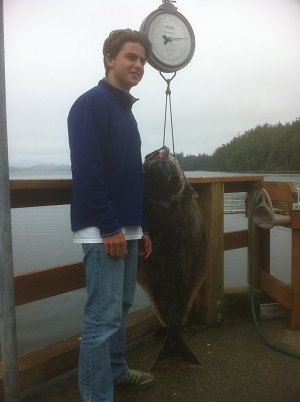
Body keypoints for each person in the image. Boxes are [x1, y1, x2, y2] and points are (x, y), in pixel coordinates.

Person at [67, 28, 154, 402]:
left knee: (120, 309)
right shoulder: (91, 104)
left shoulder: (126, 114)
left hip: (126, 228)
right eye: (131, 57)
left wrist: (141, 226)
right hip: (105, 230)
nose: (138, 65)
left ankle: (116, 373)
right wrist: (109, 225)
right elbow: (88, 170)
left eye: (142, 60)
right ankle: (96, 395)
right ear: (109, 59)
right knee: (101, 320)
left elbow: (130, 174)